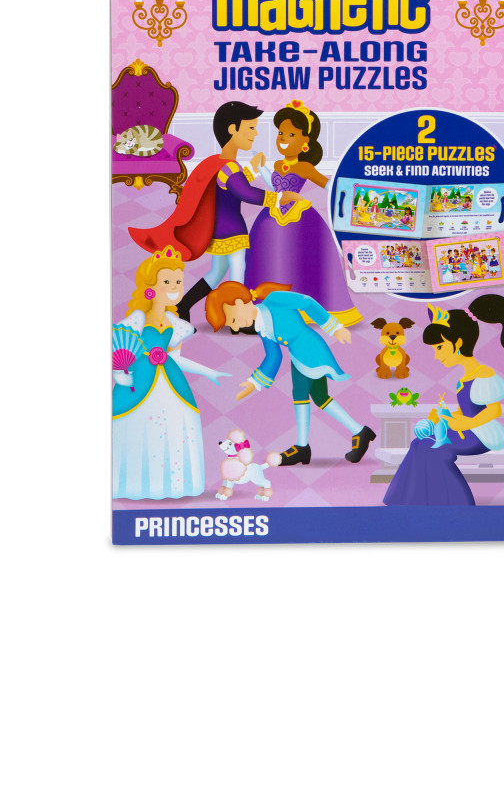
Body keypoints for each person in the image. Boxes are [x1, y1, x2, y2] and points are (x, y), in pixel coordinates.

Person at [129, 101, 305, 325]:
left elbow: (232, 186)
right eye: (251, 128)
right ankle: (238, 317)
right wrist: (279, 199)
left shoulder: (220, 163)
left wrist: (251, 168)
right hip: (233, 231)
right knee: (238, 270)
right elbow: (244, 192)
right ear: (232, 129)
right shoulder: (229, 167)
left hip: (218, 231)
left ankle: (183, 305)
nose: (255, 133)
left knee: (217, 271)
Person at [204, 280, 377, 466]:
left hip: (311, 352)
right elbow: (273, 356)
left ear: (239, 303)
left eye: (233, 320)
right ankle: (359, 432)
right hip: (299, 358)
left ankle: (304, 447)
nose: (236, 328)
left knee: (302, 395)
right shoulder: (262, 328)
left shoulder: (274, 300)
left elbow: (306, 302)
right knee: (319, 398)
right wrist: (254, 383)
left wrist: (334, 327)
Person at [111, 248, 228, 500]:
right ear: (150, 287)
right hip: (139, 382)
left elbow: (175, 358)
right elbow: (120, 346)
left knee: (175, 425)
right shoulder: (138, 318)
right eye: (167, 281)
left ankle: (172, 485)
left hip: (171, 382)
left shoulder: (175, 323)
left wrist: (208, 371)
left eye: (178, 281)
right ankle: (138, 485)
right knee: (139, 427)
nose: (175, 287)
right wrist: (120, 372)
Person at [382, 296, 504, 506]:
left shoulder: (483, 374)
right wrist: (445, 417)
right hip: (466, 430)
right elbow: (466, 410)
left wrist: (466, 423)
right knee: (419, 443)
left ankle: (459, 503)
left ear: (458, 343)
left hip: (480, 435)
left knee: (435, 450)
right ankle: (410, 500)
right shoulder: (464, 379)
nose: (436, 355)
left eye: (439, 348)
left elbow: (494, 411)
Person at [243, 99, 360, 326]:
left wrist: (347, 191)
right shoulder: (278, 165)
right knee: (267, 256)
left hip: (300, 215)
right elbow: (273, 184)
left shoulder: (304, 167)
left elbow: (327, 184)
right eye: (280, 133)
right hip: (272, 214)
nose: (283, 138)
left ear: (305, 141)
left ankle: (307, 309)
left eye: (290, 134)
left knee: (303, 258)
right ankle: (266, 307)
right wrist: (261, 167)